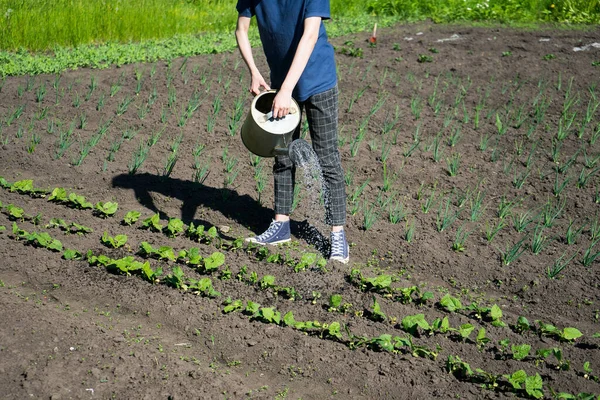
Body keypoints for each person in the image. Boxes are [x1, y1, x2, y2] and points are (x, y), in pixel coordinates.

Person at [235, 0, 349, 263]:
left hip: (318, 80)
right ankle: (281, 225)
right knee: (283, 155)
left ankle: (337, 235)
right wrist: (253, 71)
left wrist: (285, 90)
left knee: (327, 157)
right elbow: (241, 29)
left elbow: (310, 35)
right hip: (282, 85)